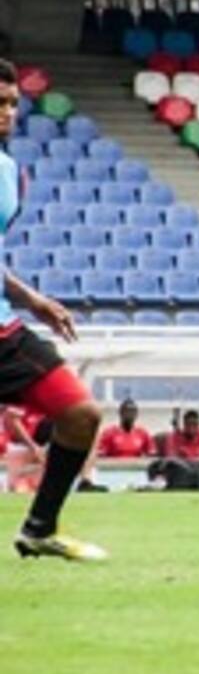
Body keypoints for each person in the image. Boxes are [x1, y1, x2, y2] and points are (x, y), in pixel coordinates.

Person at [0, 61, 106, 561]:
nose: (5, 114)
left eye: (10, 104)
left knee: (81, 414)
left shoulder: (9, 175)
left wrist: (35, 301)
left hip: (4, 330)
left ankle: (39, 528)